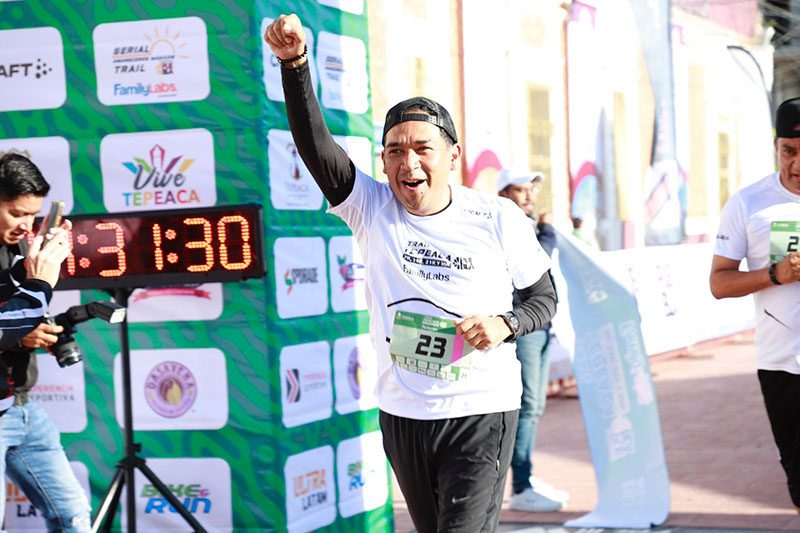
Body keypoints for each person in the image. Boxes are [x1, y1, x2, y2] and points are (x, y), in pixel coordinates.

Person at [265, 14, 557, 531]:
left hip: (480, 410)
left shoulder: (496, 216)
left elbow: (544, 298)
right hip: (403, 414)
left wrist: (504, 324)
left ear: (453, 156)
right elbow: (315, 145)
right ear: (383, 162)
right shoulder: (370, 208)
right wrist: (295, 65)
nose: (409, 163)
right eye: (395, 151)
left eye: (423, 149)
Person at [710, 96, 800, 513]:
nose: (797, 164)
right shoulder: (749, 202)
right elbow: (719, 282)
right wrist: (775, 274)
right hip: (783, 364)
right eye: (789, 151)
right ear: (776, 147)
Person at [0, 153, 90, 532]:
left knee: (74, 516)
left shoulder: (18, 248)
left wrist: (36, 264)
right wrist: (39, 284)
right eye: (16, 213)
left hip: (20, 406)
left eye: (33, 215)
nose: (26, 225)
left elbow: (16, 308)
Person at [496, 169, 568, 512]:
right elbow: (540, 256)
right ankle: (521, 486)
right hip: (521, 326)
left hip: (538, 325)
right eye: (520, 189)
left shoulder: (524, 224)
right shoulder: (506, 224)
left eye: (532, 189)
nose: (529, 196)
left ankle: (524, 479)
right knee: (526, 407)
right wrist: (548, 231)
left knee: (534, 407)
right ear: (503, 193)